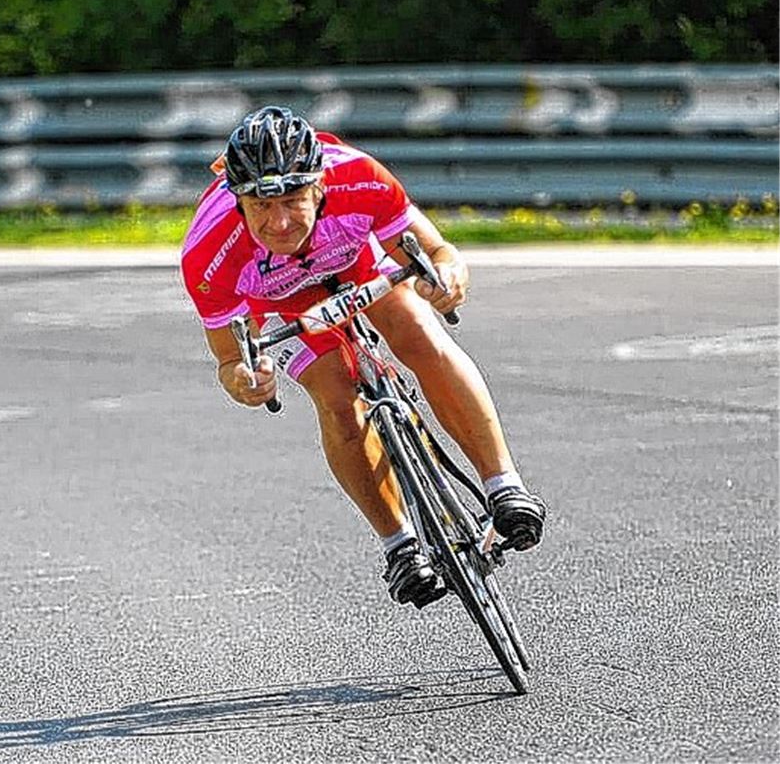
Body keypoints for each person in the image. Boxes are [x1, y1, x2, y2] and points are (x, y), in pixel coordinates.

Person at [180, 106, 547, 608]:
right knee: (336, 398)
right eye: (260, 207)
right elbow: (230, 363)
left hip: (356, 266)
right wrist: (248, 381)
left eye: (292, 200)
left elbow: (440, 253)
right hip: (282, 304)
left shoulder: (358, 176)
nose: (280, 221)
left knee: (421, 335)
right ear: (237, 199)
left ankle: (505, 486)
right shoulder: (209, 250)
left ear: (319, 186)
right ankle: (399, 544)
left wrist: (445, 282)